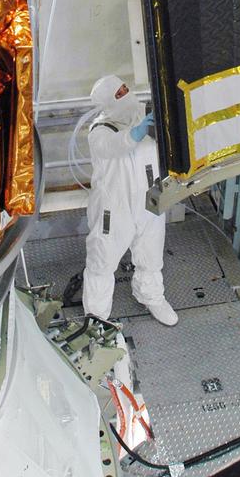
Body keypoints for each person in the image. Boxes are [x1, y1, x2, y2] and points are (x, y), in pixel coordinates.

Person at [82, 74, 178, 326]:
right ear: (107, 101)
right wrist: (136, 133)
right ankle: (97, 317)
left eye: (126, 88)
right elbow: (115, 146)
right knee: (102, 259)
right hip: (114, 207)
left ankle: (151, 296)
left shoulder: (144, 115)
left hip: (149, 199)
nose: (127, 94)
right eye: (119, 93)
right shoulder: (99, 131)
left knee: (151, 251)